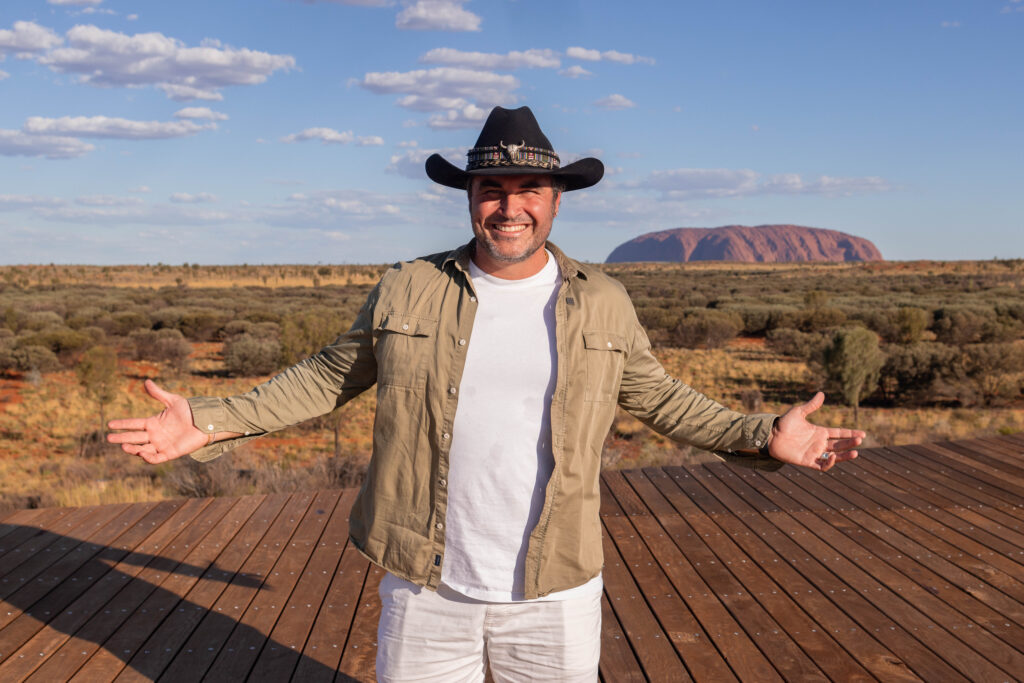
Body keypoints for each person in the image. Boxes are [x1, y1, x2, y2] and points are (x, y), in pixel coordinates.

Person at [109, 106, 865, 682]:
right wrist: (205, 421)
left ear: (557, 199)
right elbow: (324, 377)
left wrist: (763, 433)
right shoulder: (409, 286)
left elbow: (662, 398)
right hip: (427, 582)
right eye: (491, 188)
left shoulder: (602, 301)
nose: (510, 207)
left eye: (528, 188)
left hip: (556, 589)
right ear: (469, 196)